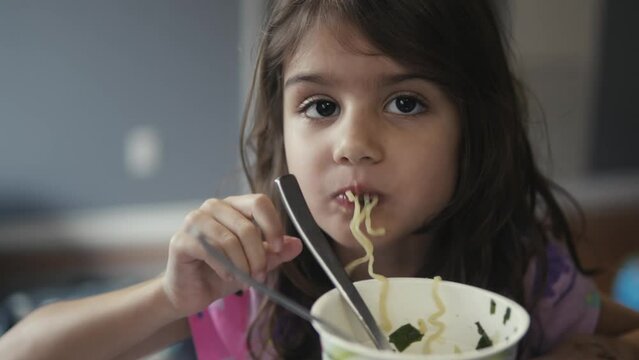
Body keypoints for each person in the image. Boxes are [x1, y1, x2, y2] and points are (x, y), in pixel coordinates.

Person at [1, 1, 638, 359]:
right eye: (320, 106)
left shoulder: (522, 271)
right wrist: (170, 300)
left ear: (472, 127)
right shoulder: (251, 278)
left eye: (406, 103)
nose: (354, 145)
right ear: (282, 130)